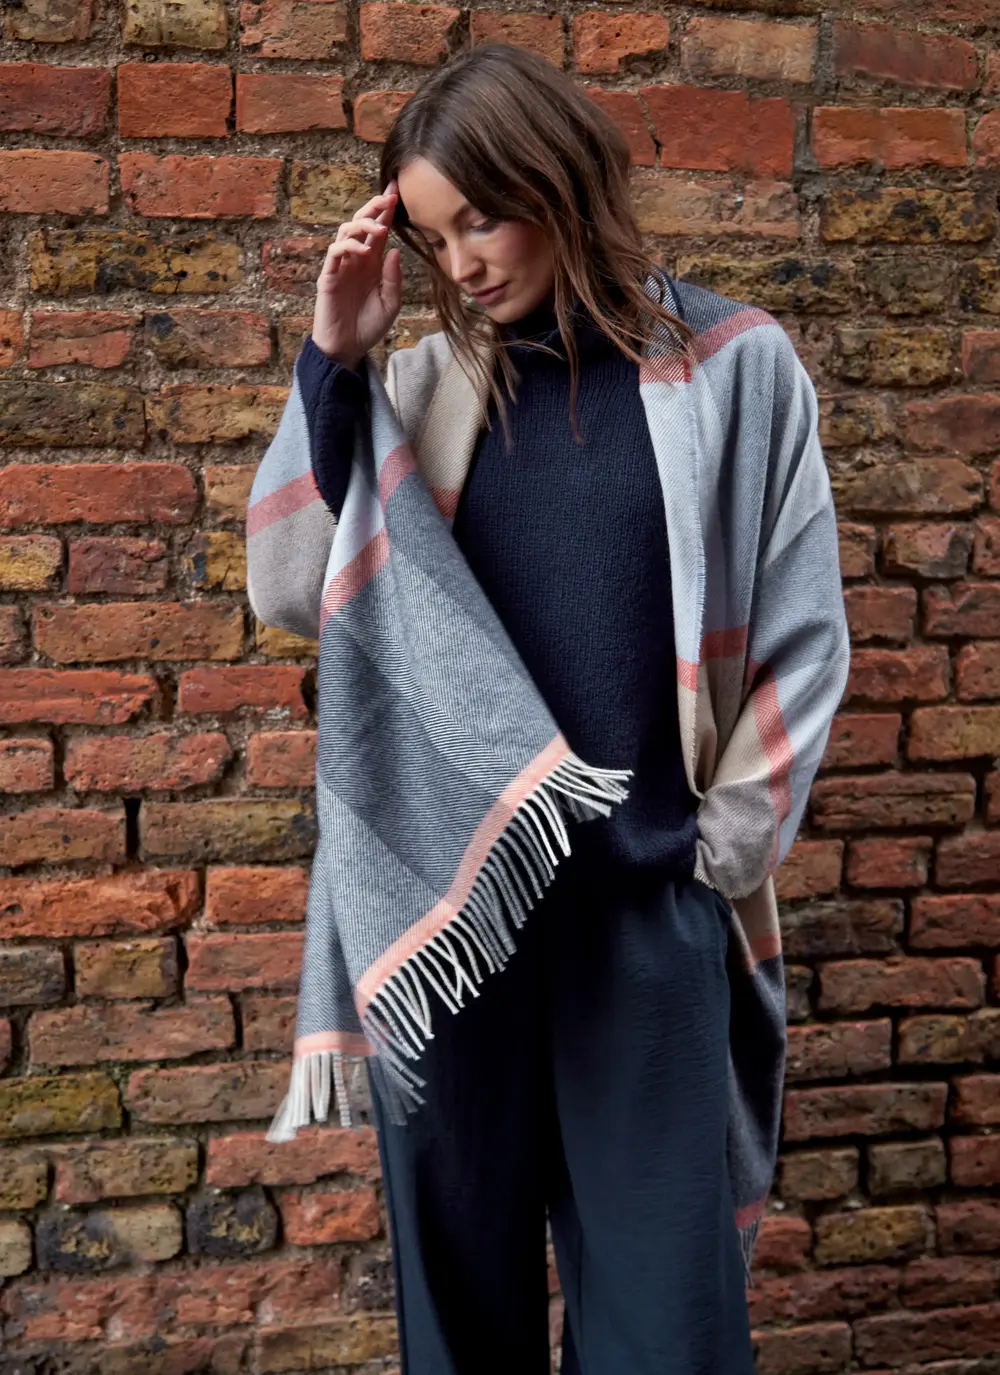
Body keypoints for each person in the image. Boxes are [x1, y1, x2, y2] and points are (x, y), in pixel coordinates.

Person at [247, 43, 849, 1375]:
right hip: (453, 929)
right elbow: (290, 582)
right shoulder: (421, 394)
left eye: (483, 218)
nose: (461, 263)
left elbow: (804, 638)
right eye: (432, 236)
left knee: (669, 1328)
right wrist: (335, 356)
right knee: (461, 1319)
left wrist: (719, 849)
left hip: (645, 916)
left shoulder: (734, 368)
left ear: (558, 181)